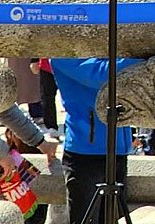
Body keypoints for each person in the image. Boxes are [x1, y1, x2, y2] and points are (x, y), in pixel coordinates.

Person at [53, 57, 141, 224]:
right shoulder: (62, 55)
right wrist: (144, 61)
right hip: (85, 153)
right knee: (86, 219)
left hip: (117, 149)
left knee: (113, 218)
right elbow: (101, 75)